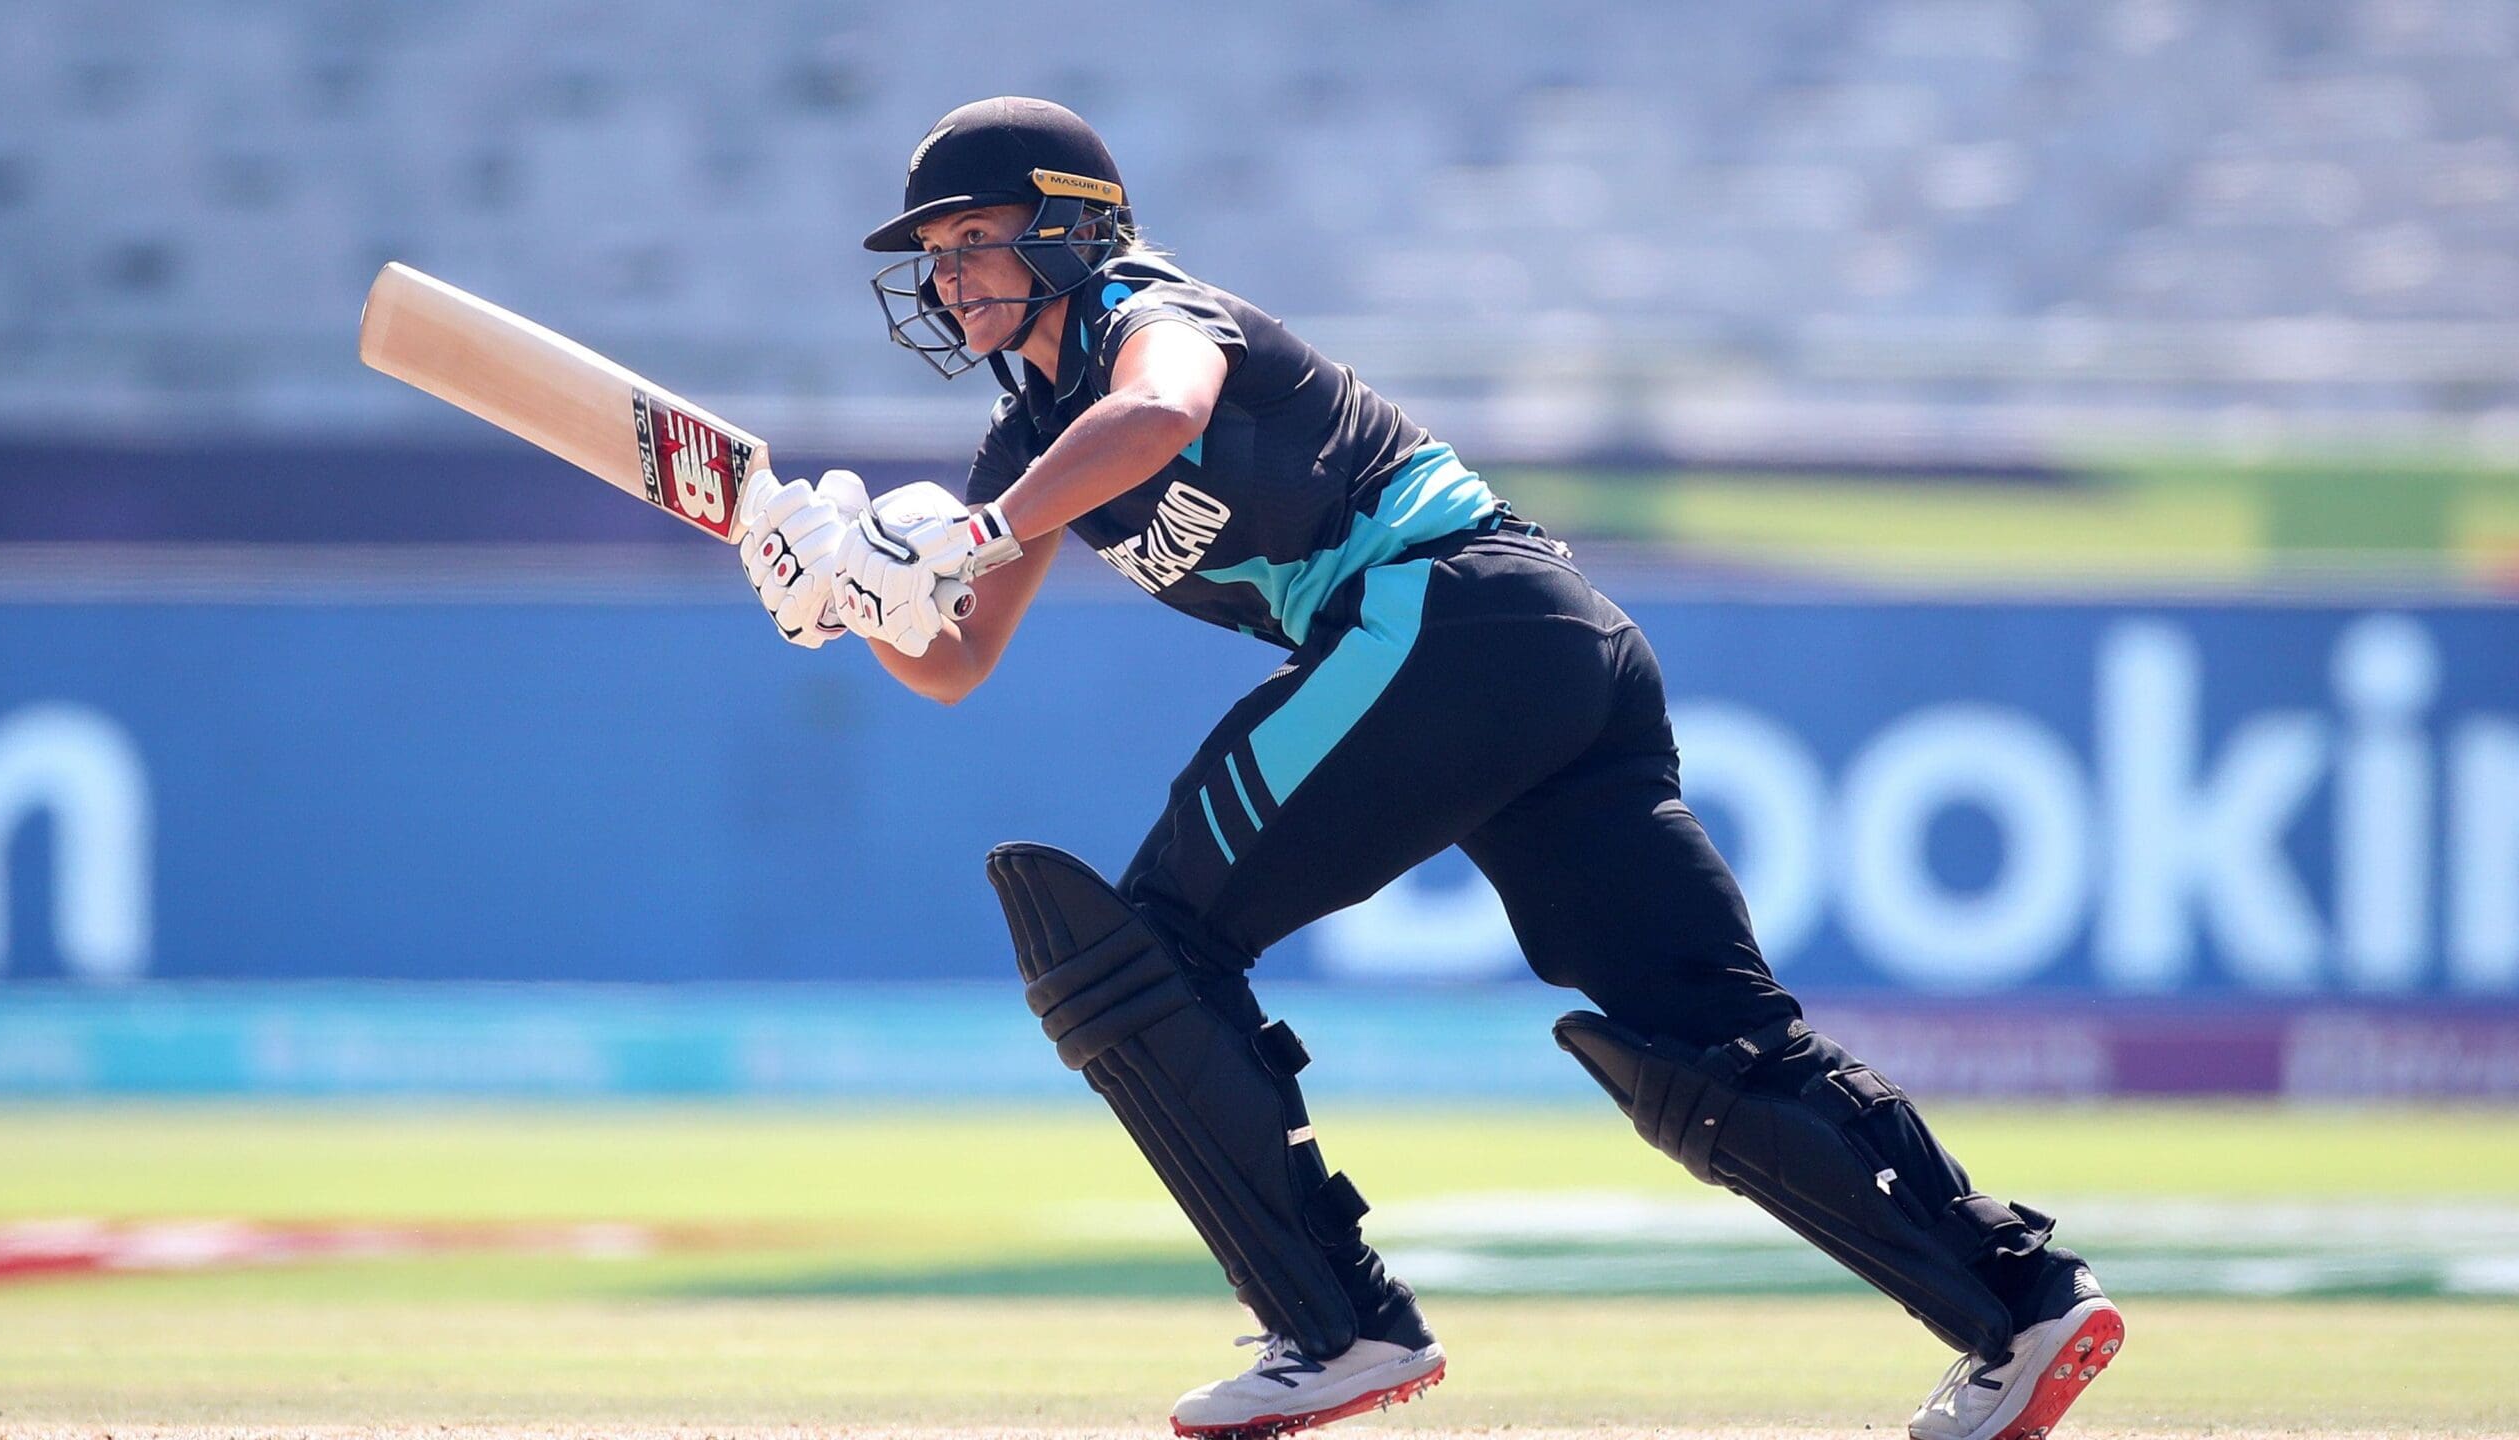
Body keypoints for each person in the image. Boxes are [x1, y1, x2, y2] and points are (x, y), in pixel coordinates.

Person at [736, 96, 2125, 1440]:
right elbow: (959, 658)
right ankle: (2023, 1305)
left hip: (1445, 612)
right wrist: (851, 598)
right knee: (1696, 1040)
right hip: (1542, 647)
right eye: (936, 252)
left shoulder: (1141, 309)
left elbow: (1160, 415)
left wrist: (965, 536)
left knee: (1143, 949)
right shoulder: (1030, 437)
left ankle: (1338, 1329)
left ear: (1073, 230)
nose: (950, 274)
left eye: (976, 238)